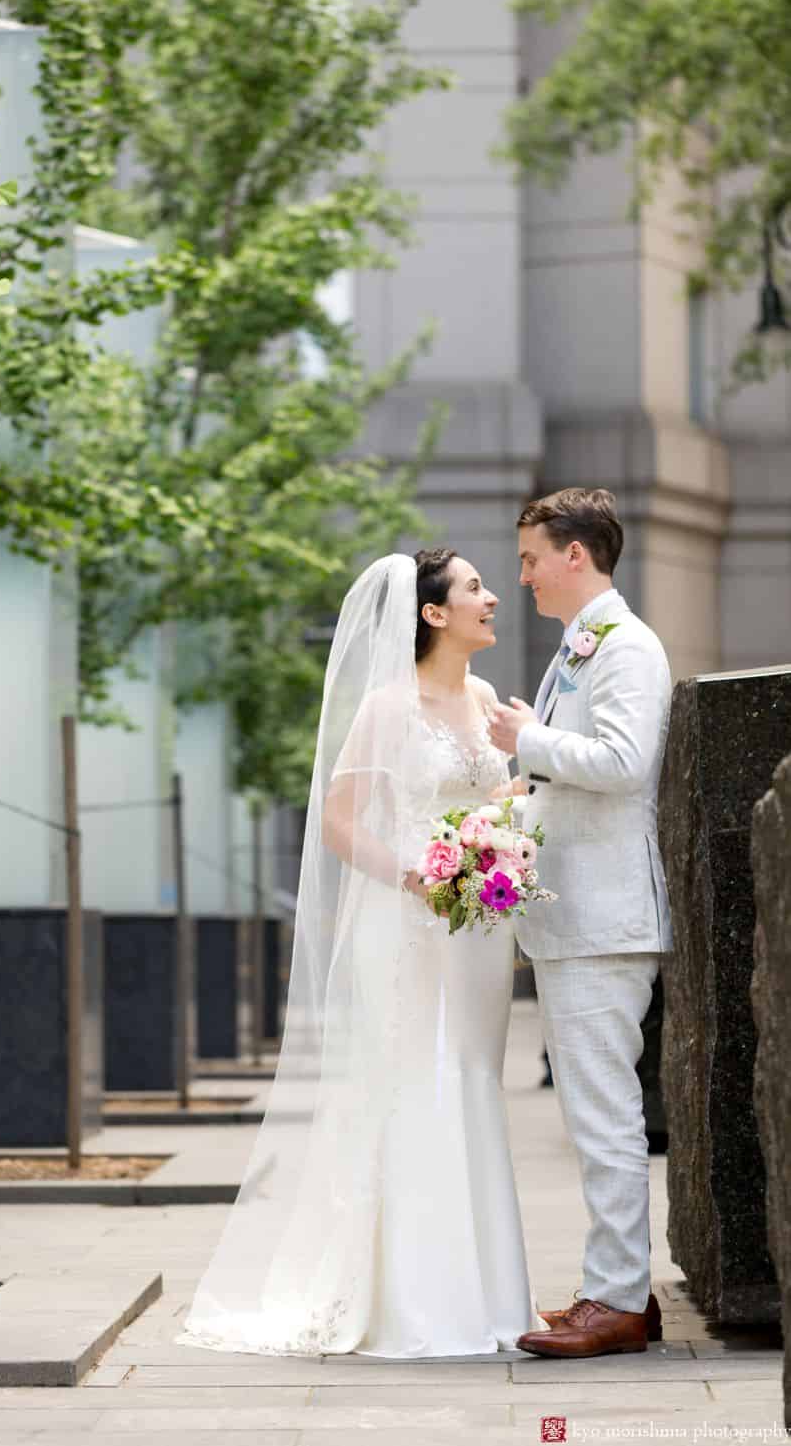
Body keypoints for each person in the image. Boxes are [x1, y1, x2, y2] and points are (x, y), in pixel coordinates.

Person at [176, 548, 550, 1358]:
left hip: (478, 924)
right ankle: (417, 1303)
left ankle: (492, 1295)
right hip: (409, 918)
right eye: (475, 588)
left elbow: (491, 798)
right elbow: (340, 821)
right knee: (418, 1080)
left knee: (475, 1078)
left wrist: (512, 820)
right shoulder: (387, 707)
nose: (492, 599)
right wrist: (412, 873)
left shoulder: (485, 698)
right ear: (433, 614)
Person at [488, 487, 673, 1359]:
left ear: (575, 553)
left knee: (604, 1115)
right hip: (578, 916)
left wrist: (527, 739)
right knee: (591, 1112)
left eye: (530, 558)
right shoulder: (577, 647)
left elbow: (626, 763)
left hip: (605, 918)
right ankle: (616, 1285)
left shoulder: (626, 646)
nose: (520, 576)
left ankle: (621, 1302)